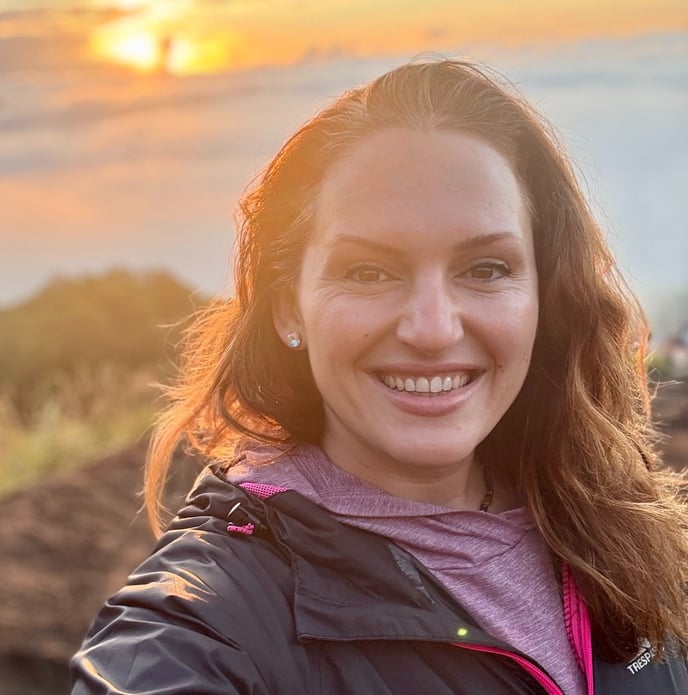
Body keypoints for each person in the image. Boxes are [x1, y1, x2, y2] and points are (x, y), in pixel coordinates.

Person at [70, 58, 688, 694]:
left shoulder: (609, 515)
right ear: (289, 307)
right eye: (369, 272)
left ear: (543, 297)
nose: (433, 329)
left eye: (487, 269)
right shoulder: (210, 627)